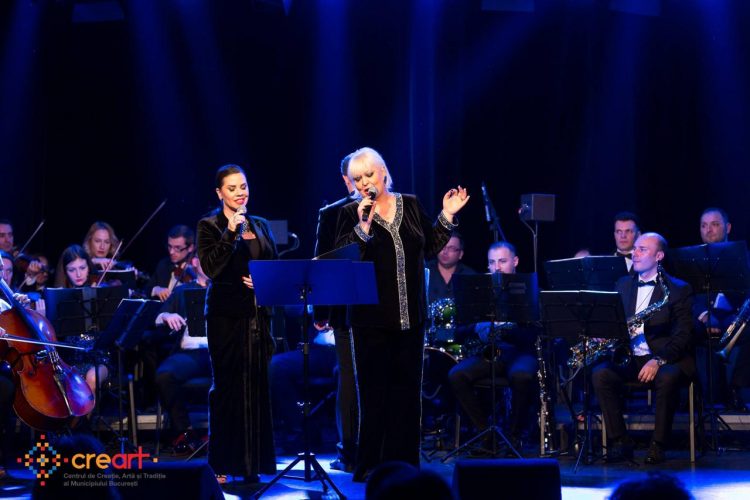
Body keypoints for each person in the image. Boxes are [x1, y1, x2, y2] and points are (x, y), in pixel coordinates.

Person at [335, 146, 469, 481]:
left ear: (383, 172)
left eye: (369, 174)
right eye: (357, 178)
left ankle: (405, 466)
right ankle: (371, 465)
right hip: (370, 320)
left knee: (407, 395)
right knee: (374, 395)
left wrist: (446, 215)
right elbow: (344, 261)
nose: (365, 182)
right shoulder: (349, 213)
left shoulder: (409, 204)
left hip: (411, 317)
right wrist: (363, 226)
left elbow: (430, 246)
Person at [196, 164, 277, 483]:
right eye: (232, 188)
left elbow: (273, 264)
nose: (240, 192)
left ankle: (254, 463)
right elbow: (211, 268)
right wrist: (230, 231)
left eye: (243, 186)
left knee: (256, 386)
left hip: (258, 316)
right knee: (228, 387)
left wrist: (265, 280)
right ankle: (223, 463)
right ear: (220, 193)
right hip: (225, 317)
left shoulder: (261, 224)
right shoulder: (209, 225)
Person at [592, 232, 694, 464]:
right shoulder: (622, 284)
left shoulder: (679, 289)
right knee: (601, 374)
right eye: (635, 249)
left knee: (668, 377)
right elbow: (613, 322)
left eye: (642, 249)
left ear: (659, 256)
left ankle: (659, 444)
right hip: (630, 357)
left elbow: (683, 335)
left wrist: (658, 360)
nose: (635, 254)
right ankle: (620, 442)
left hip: (665, 357)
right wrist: (604, 333)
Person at [447, 241, 537, 454]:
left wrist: (505, 329)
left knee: (522, 375)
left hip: (520, 352)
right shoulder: (477, 290)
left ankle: (515, 436)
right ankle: (486, 434)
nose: (497, 267)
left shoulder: (528, 289)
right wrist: (477, 327)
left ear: (515, 261)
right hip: (491, 352)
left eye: (502, 261)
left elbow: (534, 334)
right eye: (492, 262)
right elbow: (458, 331)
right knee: (457, 375)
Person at [312, 152, 358, 472]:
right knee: (350, 377)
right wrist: (321, 311)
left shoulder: (391, 205)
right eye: (356, 176)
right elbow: (322, 261)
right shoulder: (332, 214)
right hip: (345, 309)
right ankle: (349, 450)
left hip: (382, 308)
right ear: (346, 179)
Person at [153, 255, 211, 455]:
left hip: (220, 352)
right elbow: (158, 317)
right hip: (190, 354)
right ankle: (185, 433)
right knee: (164, 375)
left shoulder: (226, 290)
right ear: (195, 262)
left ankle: (228, 433)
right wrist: (167, 316)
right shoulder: (182, 290)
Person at [694, 207, 749, 411]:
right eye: (704, 226)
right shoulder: (692, 259)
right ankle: (695, 397)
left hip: (736, 318)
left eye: (715, 225)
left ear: (728, 227)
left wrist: (737, 317)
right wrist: (705, 315)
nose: (708, 230)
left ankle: (736, 387)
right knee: (682, 328)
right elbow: (687, 295)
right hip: (703, 318)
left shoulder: (744, 258)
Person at [146, 225, 197, 302]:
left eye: (177, 248)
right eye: (169, 246)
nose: (171, 252)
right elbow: (147, 289)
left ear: (190, 248)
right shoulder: (164, 264)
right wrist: (156, 289)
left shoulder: (198, 268)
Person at [426, 231, 476, 305]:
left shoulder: (470, 276)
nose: (445, 252)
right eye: (442, 246)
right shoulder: (424, 271)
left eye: (451, 248)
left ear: (460, 254)